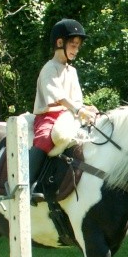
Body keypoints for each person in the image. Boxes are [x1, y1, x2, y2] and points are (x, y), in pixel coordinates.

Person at [33, 19, 98, 162]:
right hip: (49, 117)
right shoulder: (50, 68)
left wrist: (86, 108)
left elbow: (75, 101)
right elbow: (59, 97)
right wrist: (80, 111)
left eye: (78, 47)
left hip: (70, 116)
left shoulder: (72, 71)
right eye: (73, 46)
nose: (76, 50)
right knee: (44, 138)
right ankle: (30, 179)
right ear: (60, 43)